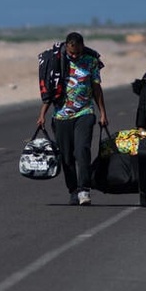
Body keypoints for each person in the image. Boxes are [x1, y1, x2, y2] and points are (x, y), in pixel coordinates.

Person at [37, 31, 108, 205]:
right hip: (61, 115)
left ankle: (84, 189)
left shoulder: (91, 62)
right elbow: (51, 90)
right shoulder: (56, 62)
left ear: (83, 47)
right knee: (67, 156)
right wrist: (42, 114)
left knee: (82, 150)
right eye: (71, 53)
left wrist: (102, 113)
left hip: (84, 113)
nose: (75, 56)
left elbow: (96, 89)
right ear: (67, 47)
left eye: (78, 52)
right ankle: (73, 190)